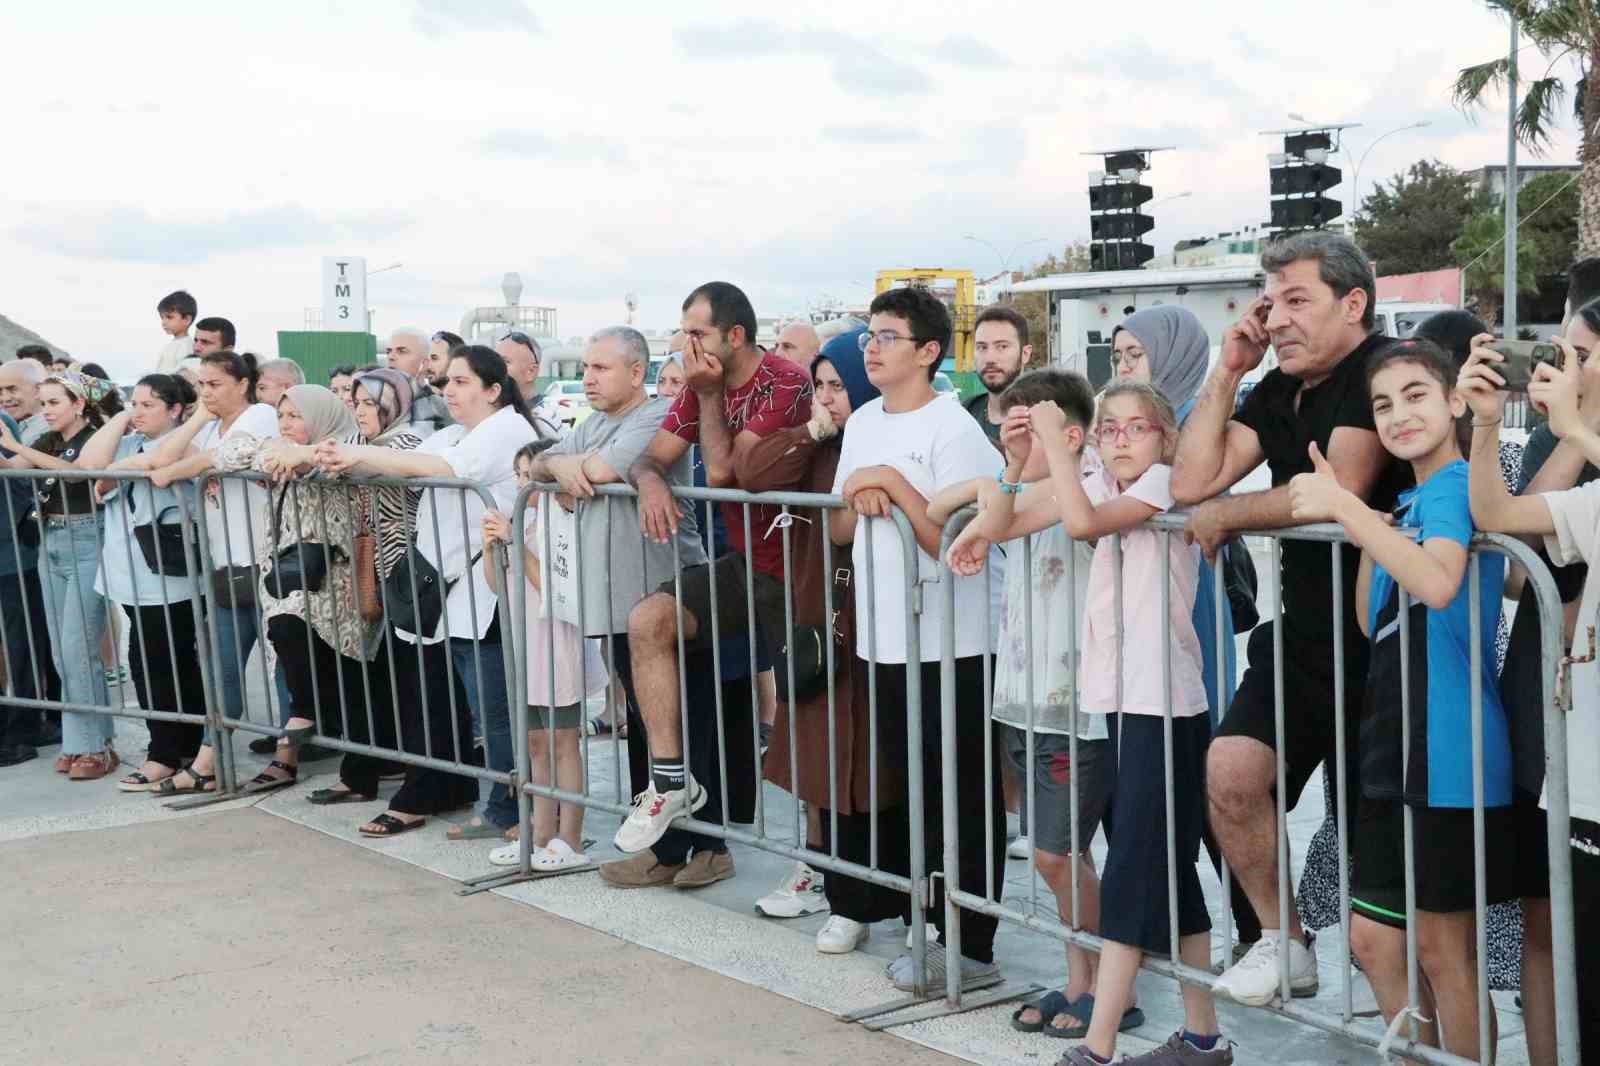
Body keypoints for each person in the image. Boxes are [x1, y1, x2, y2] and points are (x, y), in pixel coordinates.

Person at [1171, 232, 1410, 1004]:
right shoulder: (1278, 386)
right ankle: (1286, 941)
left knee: (1392, 905)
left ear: (1354, 303)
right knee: (1232, 771)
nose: (1275, 320)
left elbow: (1331, 488)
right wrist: (1229, 368)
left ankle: (1429, 1039)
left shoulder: (1384, 373)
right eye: (1269, 303)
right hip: (1305, 639)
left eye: (1296, 300)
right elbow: (1191, 479)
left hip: (1390, 647)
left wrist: (1227, 515)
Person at [1292, 339, 1512, 1063]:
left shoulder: (1453, 484)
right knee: (1373, 938)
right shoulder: (1414, 497)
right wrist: (1365, 523)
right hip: (1394, 747)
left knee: (1445, 952)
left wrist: (1342, 509)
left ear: (1454, 401)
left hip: (1447, 750)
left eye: (1416, 394)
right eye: (1383, 403)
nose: (1397, 414)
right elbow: (1368, 618)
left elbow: (1441, 582)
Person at [1013, 382, 1227, 1066]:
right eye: (1111, 429)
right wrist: (1034, 447)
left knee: (1133, 871)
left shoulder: (1164, 483)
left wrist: (1056, 442)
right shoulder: (1105, 477)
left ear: (1166, 438)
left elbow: (1080, 523)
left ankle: (1100, 1042)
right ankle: (1203, 1036)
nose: (1123, 439)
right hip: (1125, 702)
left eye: (1139, 427)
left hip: (1165, 703)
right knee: (1173, 876)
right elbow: (1040, 499)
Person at [937, 369, 1123, 1036]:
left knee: (1055, 855)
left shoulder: (1096, 484)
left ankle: (1107, 983)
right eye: (1006, 425)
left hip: (1080, 706)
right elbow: (994, 527)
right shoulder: (1021, 487)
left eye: (1029, 426)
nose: (1012, 436)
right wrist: (1016, 458)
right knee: (1064, 856)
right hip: (1023, 697)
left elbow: (1071, 525)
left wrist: (1056, 451)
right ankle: (1084, 978)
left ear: (1073, 434)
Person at [831, 285, 1003, 992]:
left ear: (929, 352)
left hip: (951, 641)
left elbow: (959, 546)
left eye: (889, 336)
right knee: (909, 789)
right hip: (883, 636)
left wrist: (896, 488)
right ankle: (925, 922)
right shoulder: (864, 419)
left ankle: (971, 943)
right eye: (870, 334)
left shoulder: (954, 429)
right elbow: (839, 525)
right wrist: (866, 493)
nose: (872, 347)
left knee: (962, 792)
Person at [614, 282, 812, 866]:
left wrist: (704, 397)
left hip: (805, 569)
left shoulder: (783, 381)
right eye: (683, 333)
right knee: (648, 620)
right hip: (747, 563)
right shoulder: (705, 383)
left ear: (734, 336)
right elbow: (651, 456)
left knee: (810, 718)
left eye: (697, 333)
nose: (686, 344)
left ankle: (823, 871)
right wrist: (652, 483)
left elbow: (725, 473)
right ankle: (673, 783)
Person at [313, 345, 536, 837]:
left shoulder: (508, 431)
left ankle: (515, 811)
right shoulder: (458, 432)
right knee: (481, 707)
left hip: (492, 589)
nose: (448, 391)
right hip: (456, 591)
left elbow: (443, 468)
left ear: (494, 390)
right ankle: (500, 805)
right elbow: (412, 458)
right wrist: (338, 454)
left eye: (461, 382)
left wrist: (354, 452)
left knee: (497, 711)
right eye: (446, 383)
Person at [523, 326, 710, 887]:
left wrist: (564, 468)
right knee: (639, 726)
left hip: (664, 595)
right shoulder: (589, 424)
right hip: (616, 603)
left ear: (636, 373)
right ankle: (660, 849)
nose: (588, 377)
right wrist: (558, 467)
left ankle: (705, 846)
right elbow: (537, 467)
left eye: (601, 368)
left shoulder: (655, 417)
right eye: (585, 367)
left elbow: (603, 472)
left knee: (681, 725)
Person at [1461, 333, 1600, 1063]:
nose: (1559, 362)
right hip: (1554, 710)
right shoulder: (1563, 439)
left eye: (1582, 348)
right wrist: (1490, 421)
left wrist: (1581, 424)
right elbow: (1512, 551)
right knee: (1551, 915)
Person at [753, 326, 891, 935]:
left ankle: (873, 894)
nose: (829, 397)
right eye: (821, 385)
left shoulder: (881, 440)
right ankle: (829, 882)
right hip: (818, 611)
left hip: (878, 616)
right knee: (818, 749)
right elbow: (753, 472)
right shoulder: (820, 441)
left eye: (840, 386)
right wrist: (813, 427)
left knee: (876, 760)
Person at [311, 369, 479, 830]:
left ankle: (430, 786)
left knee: (424, 686)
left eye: (371, 403)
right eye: (357, 402)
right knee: (410, 685)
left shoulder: (404, 442)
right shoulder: (378, 443)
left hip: (417, 577)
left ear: (397, 403)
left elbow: (385, 461)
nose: (360, 410)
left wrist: (333, 453)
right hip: (393, 576)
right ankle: (439, 782)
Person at [145, 351, 280, 794]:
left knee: (286, 666)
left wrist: (172, 472)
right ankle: (210, 759)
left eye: (215, 384)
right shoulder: (207, 423)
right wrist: (197, 417)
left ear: (242, 383)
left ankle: (287, 755)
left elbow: (224, 457)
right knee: (222, 665)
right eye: (201, 384)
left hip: (270, 559)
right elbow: (160, 458)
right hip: (226, 566)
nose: (206, 391)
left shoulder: (260, 414)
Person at [239, 385, 380, 797]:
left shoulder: (346, 449)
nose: (287, 424)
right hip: (296, 580)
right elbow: (230, 453)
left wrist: (299, 456)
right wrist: (275, 452)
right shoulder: (280, 453)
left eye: (296, 416)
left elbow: (334, 466)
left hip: (341, 584)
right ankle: (299, 729)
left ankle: (355, 773)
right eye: (282, 416)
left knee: (350, 678)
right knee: (287, 634)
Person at [72, 374, 206, 790]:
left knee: (167, 662)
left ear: (176, 410)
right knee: (152, 663)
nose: (140, 411)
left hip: (173, 577)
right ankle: (175, 747)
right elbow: (87, 466)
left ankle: (169, 752)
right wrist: (123, 416)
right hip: (131, 576)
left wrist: (119, 469)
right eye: (137, 403)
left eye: (151, 405)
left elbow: (159, 463)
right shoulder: (127, 442)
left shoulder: (186, 445)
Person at [480, 440, 609, 871]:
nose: (522, 483)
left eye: (530, 474)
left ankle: (570, 838)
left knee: (563, 740)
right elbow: (498, 584)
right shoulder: (525, 521)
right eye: (518, 475)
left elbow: (556, 587)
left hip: (556, 640)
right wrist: (492, 547)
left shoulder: (563, 523)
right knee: (535, 743)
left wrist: (515, 542)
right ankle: (540, 834)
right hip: (524, 643)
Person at [0, 372, 119, 779]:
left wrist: (16, 445)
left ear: (79, 404)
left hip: (87, 539)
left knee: (77, 649)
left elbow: (79, 472)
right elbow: (13, 467)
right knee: (61, 652)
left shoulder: (93, 438)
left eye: (54, 403)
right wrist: (9, 448)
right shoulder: (47, 440)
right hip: (50, 540)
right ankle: (85, 741)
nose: (46, 411)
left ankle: (92, 748)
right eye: (44, 403)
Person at [0, 404, 60, 766]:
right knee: (21, 645)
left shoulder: (3, 424)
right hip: (11, 553)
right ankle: (20, 728)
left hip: (12, 553)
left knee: (25, 645)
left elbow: (19, 479)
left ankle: (27, 724)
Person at [964, 305, 1033, 448]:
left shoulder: (1045, 417)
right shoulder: (966, 413)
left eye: (1002, 347)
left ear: (1025, 354)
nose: (990, 358)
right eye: (982, 347)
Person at [494, 330, 563, 440]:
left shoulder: (541, 424)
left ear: (531, 372)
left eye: (505, 362)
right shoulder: (501, 415)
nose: (493, 368)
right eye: (493, 361)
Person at [0, 359, 48, 443]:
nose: (5, 398)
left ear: (38, 390)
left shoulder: (50, 429)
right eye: (0, 392)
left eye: (12, 390)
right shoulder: (6, 424)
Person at [155, 290, 196, 372]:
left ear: (187, 319)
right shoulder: (173, 343)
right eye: (162, 318)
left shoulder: (186, 346)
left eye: (169, 317)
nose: (163, 322)